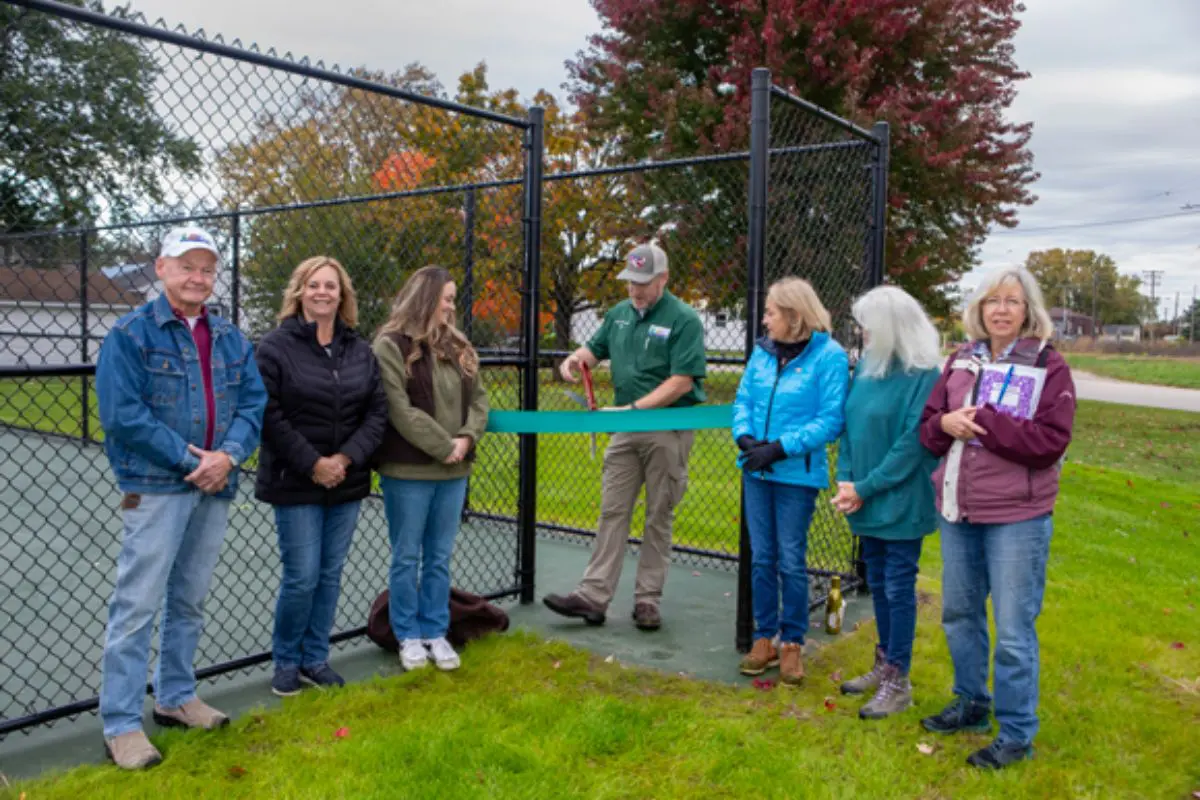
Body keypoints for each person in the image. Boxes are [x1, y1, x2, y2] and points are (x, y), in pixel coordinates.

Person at [94, 225, 267, 770]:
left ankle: (174, 696)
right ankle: (121, 723)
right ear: (161, 268)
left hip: (216, 484)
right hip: (157, 487)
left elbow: (253, 406)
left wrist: (228, 457)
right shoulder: (131, 335)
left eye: (207, 268)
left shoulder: (232, 339)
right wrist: (196, 461)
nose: (198, 277)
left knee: (189, 599)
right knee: (137, 604)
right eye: (186, 265)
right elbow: (123, 415)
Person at [918, 267, 1075, 769]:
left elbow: (1050, 444)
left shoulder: (1048, 365)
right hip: (957, 509)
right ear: (979, 310)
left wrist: (986, 422)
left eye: (1012, 301)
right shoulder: (961, 359)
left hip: (1017, 516)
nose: (1001, 309)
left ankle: (1016, 733)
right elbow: (928, 430)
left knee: (1012, 629)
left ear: (1029, 310)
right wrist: (945, 422)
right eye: (992, 301)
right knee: (959, 615)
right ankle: (971, 703)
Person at [542, 243, 707, 631]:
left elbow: (682, 382)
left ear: (663, 279)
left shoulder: (684, 319)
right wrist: (573, 361)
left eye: (643, 282)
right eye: (631, 281)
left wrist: (636, 410)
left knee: (658, 515)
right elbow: (592, 350)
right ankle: (593, 596)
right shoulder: (618, 315)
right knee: (612, 510)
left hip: (667, 429)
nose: (635, 289)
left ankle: (647, 600)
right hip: (623, 428)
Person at [254, 256, 388, 697]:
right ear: (299, 292)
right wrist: (314, 463)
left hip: (346, 482)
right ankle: (287, 662)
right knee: (302, 576)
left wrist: (345, 459)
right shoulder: (275, 347)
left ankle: (315, 658)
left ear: (342, 295)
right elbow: (269, 414)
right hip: (296, 480)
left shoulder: (360, 350)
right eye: (314, 285)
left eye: (331, 286)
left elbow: (376, 412)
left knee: (329, 574)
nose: (322, 293)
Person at [731, 277, 848, 685]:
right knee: (762, 557)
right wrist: (744, 437)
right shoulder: (761, 354)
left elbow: (831, 420)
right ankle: (764, 637)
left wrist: (781, 447)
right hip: (756, 471)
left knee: (791, 560)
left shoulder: (829, 356)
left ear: (794, 315)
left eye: (770, 313)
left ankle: (793, 642)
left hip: (796, 474)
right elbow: (743, 400)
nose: (764, 321)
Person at [831, 286, 941, 718]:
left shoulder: (924, 374)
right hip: (864, 496)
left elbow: (913, 444)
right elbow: (850, 426)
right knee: (877, 580)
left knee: (898, 586)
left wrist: (865, 486)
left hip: (901, 499)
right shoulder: (868, 369)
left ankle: (899, 679)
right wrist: (845, 478)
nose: (863, 331)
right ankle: (885, 664)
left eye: (869, 324)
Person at [373, 265, 489, 672]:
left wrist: (466, 440)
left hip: (453, 471)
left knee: (439, 556)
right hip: (408, 472)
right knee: (406, 556)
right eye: (447, 299)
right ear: (426, 298)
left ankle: (435, 632)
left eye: (453, 299)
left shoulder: (458, 346)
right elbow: (399, 410)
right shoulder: (390, 346)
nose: (451, 307)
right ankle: (407, 635)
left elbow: (480, 401)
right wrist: (444, 446)